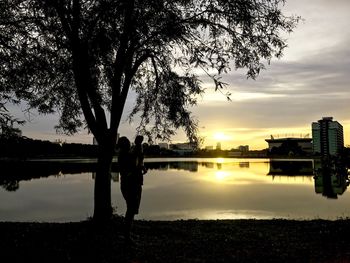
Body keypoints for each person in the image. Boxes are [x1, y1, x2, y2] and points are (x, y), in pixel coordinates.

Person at [117, 136, 143, 244]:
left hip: (132, 185)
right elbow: (131, 167)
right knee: (131, 210)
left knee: (131, 210)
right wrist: (138, 144)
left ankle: (127, 234)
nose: (129, 145)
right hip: (130, 186)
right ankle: (127, 236)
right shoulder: (124, 155)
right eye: (127, 143)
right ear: (124, 146)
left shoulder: (127, 154)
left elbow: (138, 160)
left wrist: (141, 168)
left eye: (128, 143)